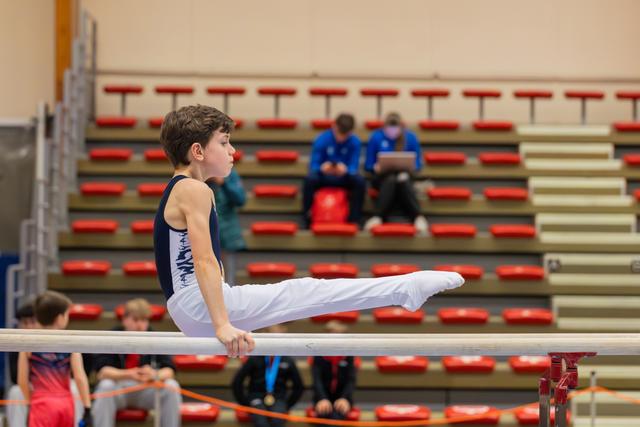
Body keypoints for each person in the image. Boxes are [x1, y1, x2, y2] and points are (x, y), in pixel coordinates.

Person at [154, 105, 464, 356]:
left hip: (195, 305)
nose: (232, 150)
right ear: (197, 151)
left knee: (303, 292)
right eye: (224, 143)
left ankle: (403, 290)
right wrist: (222, 325)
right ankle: (403, 289)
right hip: (200, 307)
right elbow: (204, 261)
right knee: (306, 292)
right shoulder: (193, 189)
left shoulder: (183, 189)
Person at [92, 298, 182, 427]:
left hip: (145, 388)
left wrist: (154, 374)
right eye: (135, 320)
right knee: (105, 385)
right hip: (119, 388)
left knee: (171, 386)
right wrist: (129, 374)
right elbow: (102, 372)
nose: (140, 325)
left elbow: (170, 370)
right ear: (125, 319)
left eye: (144, 320)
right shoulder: (112, 336)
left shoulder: (155, 337)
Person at [17, 291, 92, 427]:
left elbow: (22, 381)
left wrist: (30, 402)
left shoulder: (28, 344)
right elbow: (80, 378)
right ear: (60, 318)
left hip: (41, 403)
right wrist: (87, 408)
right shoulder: (71, 343)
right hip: (65, 404)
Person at [363, 112, 429, 234]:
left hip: (405, 176)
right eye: (389, 129)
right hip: (381, 177)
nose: (392, 132)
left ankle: (417, 217)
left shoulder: (410, 138)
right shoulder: (376, 137)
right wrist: (375, 167)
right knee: (391, 179)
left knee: (402, 178)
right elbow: (368, 164)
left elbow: (418, 164)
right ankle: (378, 216)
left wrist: (411, 166)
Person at [232, 324, 304, 427]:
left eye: (277, 337)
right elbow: (237, 383)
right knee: (261, 422)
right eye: (271, 336)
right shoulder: (254, 358)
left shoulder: (287, 360)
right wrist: (246, 403)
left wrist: (287, 405)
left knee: (277, 420)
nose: (274, 342)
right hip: (256, 397)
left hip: (279, 398)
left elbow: (298, 386)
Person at [302, 113, 365, 227]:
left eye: (345, 135)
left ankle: (354, 220)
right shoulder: (322, 139)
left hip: (343, 178)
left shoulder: (355, 141)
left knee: (359, 181)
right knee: (309, 179)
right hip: (324, 177)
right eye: (339, 134)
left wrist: (346, 170)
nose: (341, 138)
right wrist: (323, 168)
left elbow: (354, 166)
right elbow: (314, 165)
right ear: (334, 126)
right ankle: (308, 219)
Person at [311, 321, 357, 425]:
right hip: (322, 398)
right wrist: (322, 398)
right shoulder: (319, 356)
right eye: (332, 335)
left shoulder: (348, 356)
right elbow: (316, 380)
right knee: (323, 417)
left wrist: (344, 398)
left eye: (340, 336)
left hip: (342, 398)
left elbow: (351, 380)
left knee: (337, 418)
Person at [206, 169, 247, 285]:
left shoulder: (230, 174)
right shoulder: (196, 175)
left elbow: (240, 199)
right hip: (204, 234)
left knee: (228, 281)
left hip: (227, 234)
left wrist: (223, 183)